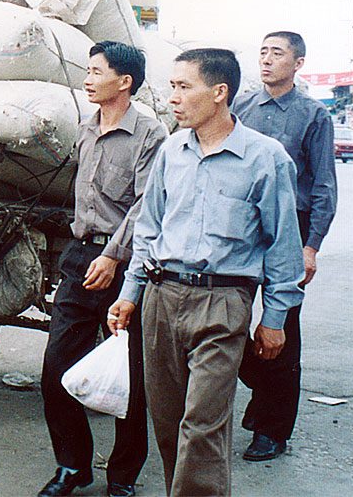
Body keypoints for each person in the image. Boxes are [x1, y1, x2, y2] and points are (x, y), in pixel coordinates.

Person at [108, 48, 304, 497]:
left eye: (183, 87)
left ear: (219, 93)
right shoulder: (171, 152)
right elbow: (148, 229)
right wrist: (130, 293)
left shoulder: (265, 158)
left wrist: (274, 319)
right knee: (169, 422)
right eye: (171, 86)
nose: (172, 98)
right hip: (160, 297)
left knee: (202, 426)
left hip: (222, 302)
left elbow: (283, 246)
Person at [38, 42, 165, 497]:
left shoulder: (151, 135)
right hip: (78, 259)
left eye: (96, 71)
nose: (88, 79)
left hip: (128, 267)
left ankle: (123, 475)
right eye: (87, 70)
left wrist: (113, 255)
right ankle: (72, 465)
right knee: (56, 369)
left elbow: (147, 206)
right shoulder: (84, 130)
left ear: (124, 81)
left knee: (128, 377)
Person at [233, 31, 336, 462]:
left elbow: (324, 186)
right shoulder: (240, 109)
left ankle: (272, 429)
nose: (267, 60)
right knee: (229, 319)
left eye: (278, 53)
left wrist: (311, 246)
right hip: (241, 228)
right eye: (262, 52)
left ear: (298, 63)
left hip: (290, 231)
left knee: (281, 330)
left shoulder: (313, 115)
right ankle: (263, 390)